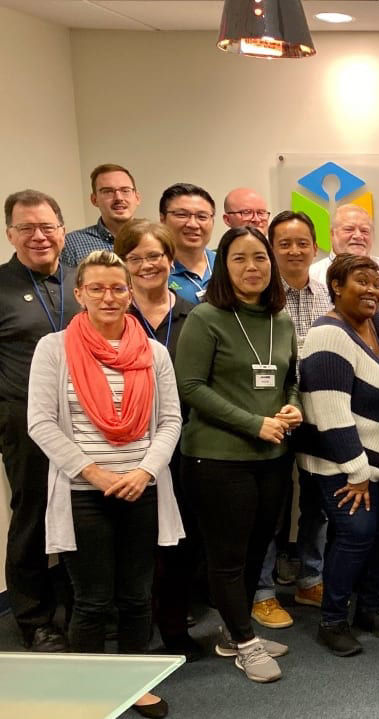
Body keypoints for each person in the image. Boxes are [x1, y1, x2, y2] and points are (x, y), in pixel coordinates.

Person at [28, 250, 183, 719]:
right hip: (82, 494)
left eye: (118, 287)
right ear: (80, 294)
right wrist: (93, 472)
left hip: (141, 489)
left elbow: (171, 420)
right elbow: (41, 422)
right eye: (96, 287)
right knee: (92, 600)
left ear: (130, 293)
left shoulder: (153, 352)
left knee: (137, 595)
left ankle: (134, 682)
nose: (109, 296)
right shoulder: (53, 348)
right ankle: (88, 686)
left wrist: (143, 473)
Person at [175, 226, 300, 683]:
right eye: (240, 259)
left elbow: (289, 378)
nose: (253, 268)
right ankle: (246, 643)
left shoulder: (280, 321)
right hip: (216, 458)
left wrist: (293, 406)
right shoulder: (205, 317)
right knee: (227, 555)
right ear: (223, 267)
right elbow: (189, 387)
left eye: (260, 259)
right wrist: (254, 423)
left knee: (254, 552)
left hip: (271, 458)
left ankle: (235, 632)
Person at [296, 253, 379, 657]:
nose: (372, 290)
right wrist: (357, 471)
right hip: (341, 462)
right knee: (356, 535)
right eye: (361, 281)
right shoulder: (326, 334)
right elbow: (328, 412)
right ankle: (332, 619)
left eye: (376, 282)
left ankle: (371, 609)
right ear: (336, 286)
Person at [115, 219, 201, 660]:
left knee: (179, 544)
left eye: (155, 256)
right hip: (126, 446)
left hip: (186, 445)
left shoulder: (196, 313)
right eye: (136, 258)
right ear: (123, 264)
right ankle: (136, 634)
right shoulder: (111, 315)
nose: (147, 265)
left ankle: (175, 630)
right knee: (135, 544)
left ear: (170, 260)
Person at [1, 190, 80, 652]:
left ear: (62, 231)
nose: (38, 236)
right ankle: (35, 620)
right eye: (26, 227)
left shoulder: (82, 281)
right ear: (11, 234)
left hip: (86, 422)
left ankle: (81, 607)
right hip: (26, 426)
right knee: (31, 519)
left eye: (47, 226)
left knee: (82, 516)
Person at [249, 211, 333, 630]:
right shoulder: (258, 299)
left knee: (318, 503)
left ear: (315, 249)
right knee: (272, 506)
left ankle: (310, 578)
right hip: (273, 415)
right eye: (284, 243)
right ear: (271, 249)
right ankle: (263, 592)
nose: (294, 251)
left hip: (319, 413)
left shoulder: (328, 296)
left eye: (302, 243)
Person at [309, 204, 379, 311]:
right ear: (332, 234)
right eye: (349, 229)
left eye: (364, 231)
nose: (358, 236)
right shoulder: (312, 275)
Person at [62, 163, 142, 268]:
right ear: (94, 200)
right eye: (108, 191)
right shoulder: (71, 245)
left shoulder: (155, 239)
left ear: (137, 198)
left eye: (125, 190)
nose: (118, 198)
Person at [160, 183, 218, 305]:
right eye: (182, 215)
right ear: (162, 219)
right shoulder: (154, 271)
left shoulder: (225, 265)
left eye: (202, 217)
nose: (193, 224)